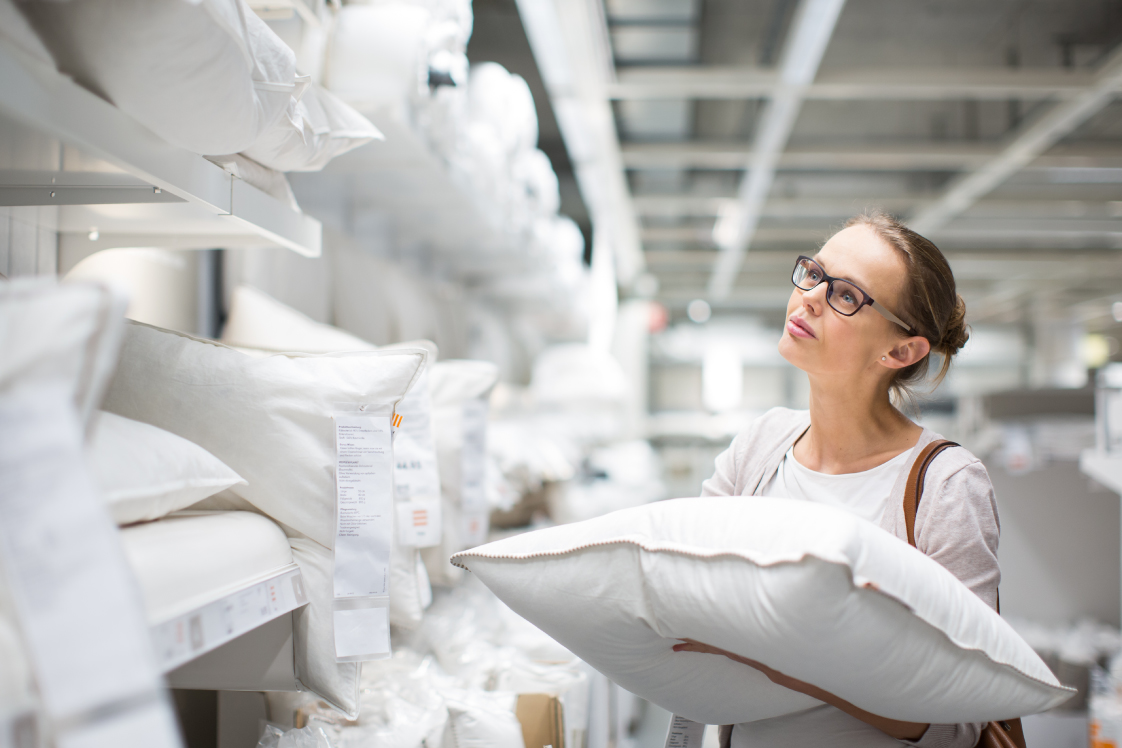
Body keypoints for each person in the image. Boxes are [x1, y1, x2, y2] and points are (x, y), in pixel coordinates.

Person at [675, 211, 999, 748]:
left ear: (900, 351)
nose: (809, 298)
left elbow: (963, 716)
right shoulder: (759, 449)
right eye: (814, 273)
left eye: (845, 295)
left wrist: (790, 666)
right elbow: (685, 602)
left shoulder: (946, 486)